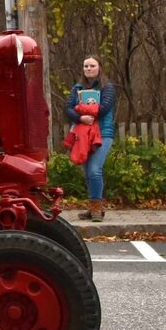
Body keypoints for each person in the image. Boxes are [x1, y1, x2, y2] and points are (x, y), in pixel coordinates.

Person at [64, 57, 117, 222]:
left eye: (92, 65)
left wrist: (80, 110)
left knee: (95, 169)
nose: (88, 68)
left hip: (103, 133)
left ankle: (96, 208)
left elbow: (103, 109)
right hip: (82, 134)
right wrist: (81, 119)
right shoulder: (77, 87)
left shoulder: (107, 88)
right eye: (86, 66)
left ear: (99, 67)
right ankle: (95, 207)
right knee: (87, 172)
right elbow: (67, 109)